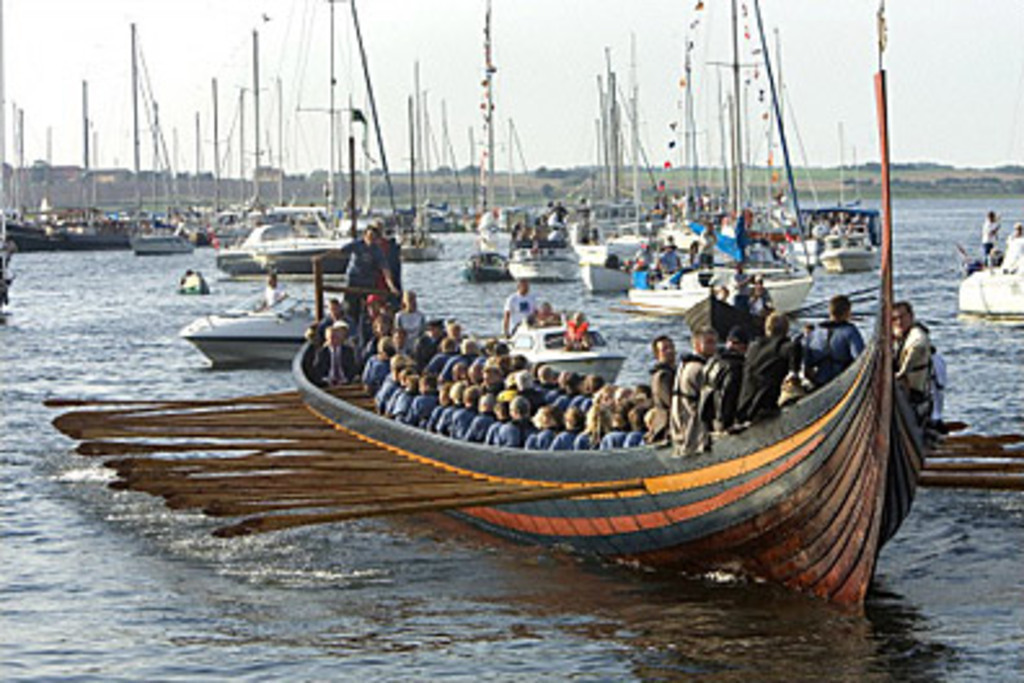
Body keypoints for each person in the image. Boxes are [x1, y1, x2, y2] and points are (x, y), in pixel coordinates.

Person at [737, 313, 801, 424]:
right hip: (765, 408)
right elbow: (793, 350)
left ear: (766, 329)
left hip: (744, 407)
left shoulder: (753, 348)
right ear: (786, 329)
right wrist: (794, 372)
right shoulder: (784, 346)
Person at [339, 225, 399, 333]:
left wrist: (391, 286)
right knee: (349, 305)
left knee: (368, 307)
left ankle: (367, 328)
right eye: (369, 236)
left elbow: (385, 268)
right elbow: (341, 250)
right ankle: (349, 328)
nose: (370, 239)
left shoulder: (377, 250)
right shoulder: (357, 244)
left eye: (373, 237)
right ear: (365, 235)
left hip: (368, 281)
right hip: (353, 279)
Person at [670, 327, 717, 455]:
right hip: (694, 432)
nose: (714, 347)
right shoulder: (699, 369)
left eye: (714, 342)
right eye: (709, 342)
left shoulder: (683, 366)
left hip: (680, 429)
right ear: (696, 344)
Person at [802, 294, 865, 388]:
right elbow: (860, 359)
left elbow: (806, 363)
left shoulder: (814, 332)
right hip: (843, 381)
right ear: (847, 312)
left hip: (819, 381)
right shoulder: (850, 332)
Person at [892, 300, 932, 424]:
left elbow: (918, 347)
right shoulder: (895, 336)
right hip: (897, 394)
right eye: (895, 319)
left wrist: (902, 372)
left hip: (914, 397)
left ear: (911, 316)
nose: (899, 322)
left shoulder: (917, 335)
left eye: (902, 317)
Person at [702, 326, 748, 433]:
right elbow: (728, 395)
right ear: (744, 346)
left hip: (707, 420)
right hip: (722, 421)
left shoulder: (712, 361)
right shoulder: (735, 367)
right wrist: (726, 423)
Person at [647, 335, 676, 443]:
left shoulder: (671, 371)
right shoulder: (663, 375)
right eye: (665, 349)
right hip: (666, 427)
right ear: (657, 355)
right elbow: (670, 402)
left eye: (671, 347)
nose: (670, 351)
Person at [313, 321, 357, 388]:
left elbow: (352, 368)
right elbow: (317, 370)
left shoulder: (348, 351)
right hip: (327, 382)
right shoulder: (322, 352)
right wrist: (325, 380)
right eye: (331, 337)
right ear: (327, 339)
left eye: (335, 337)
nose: (333, 340)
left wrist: (347, 379)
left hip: (344, 382)